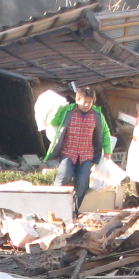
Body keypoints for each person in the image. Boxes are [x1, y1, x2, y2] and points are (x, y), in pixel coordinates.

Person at [43, 86, 113, 215]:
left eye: (89, 102)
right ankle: (53, 208)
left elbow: (105, 134)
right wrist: (59, 109)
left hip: (86, 156)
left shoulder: (97, 115)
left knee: (82, 186)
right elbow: (52, 121)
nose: (86, 105)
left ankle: (73, 212)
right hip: (68, 153)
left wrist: (108, 152)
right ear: (77, 100)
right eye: (84, 101)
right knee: (64, 178)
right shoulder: (68, 111)